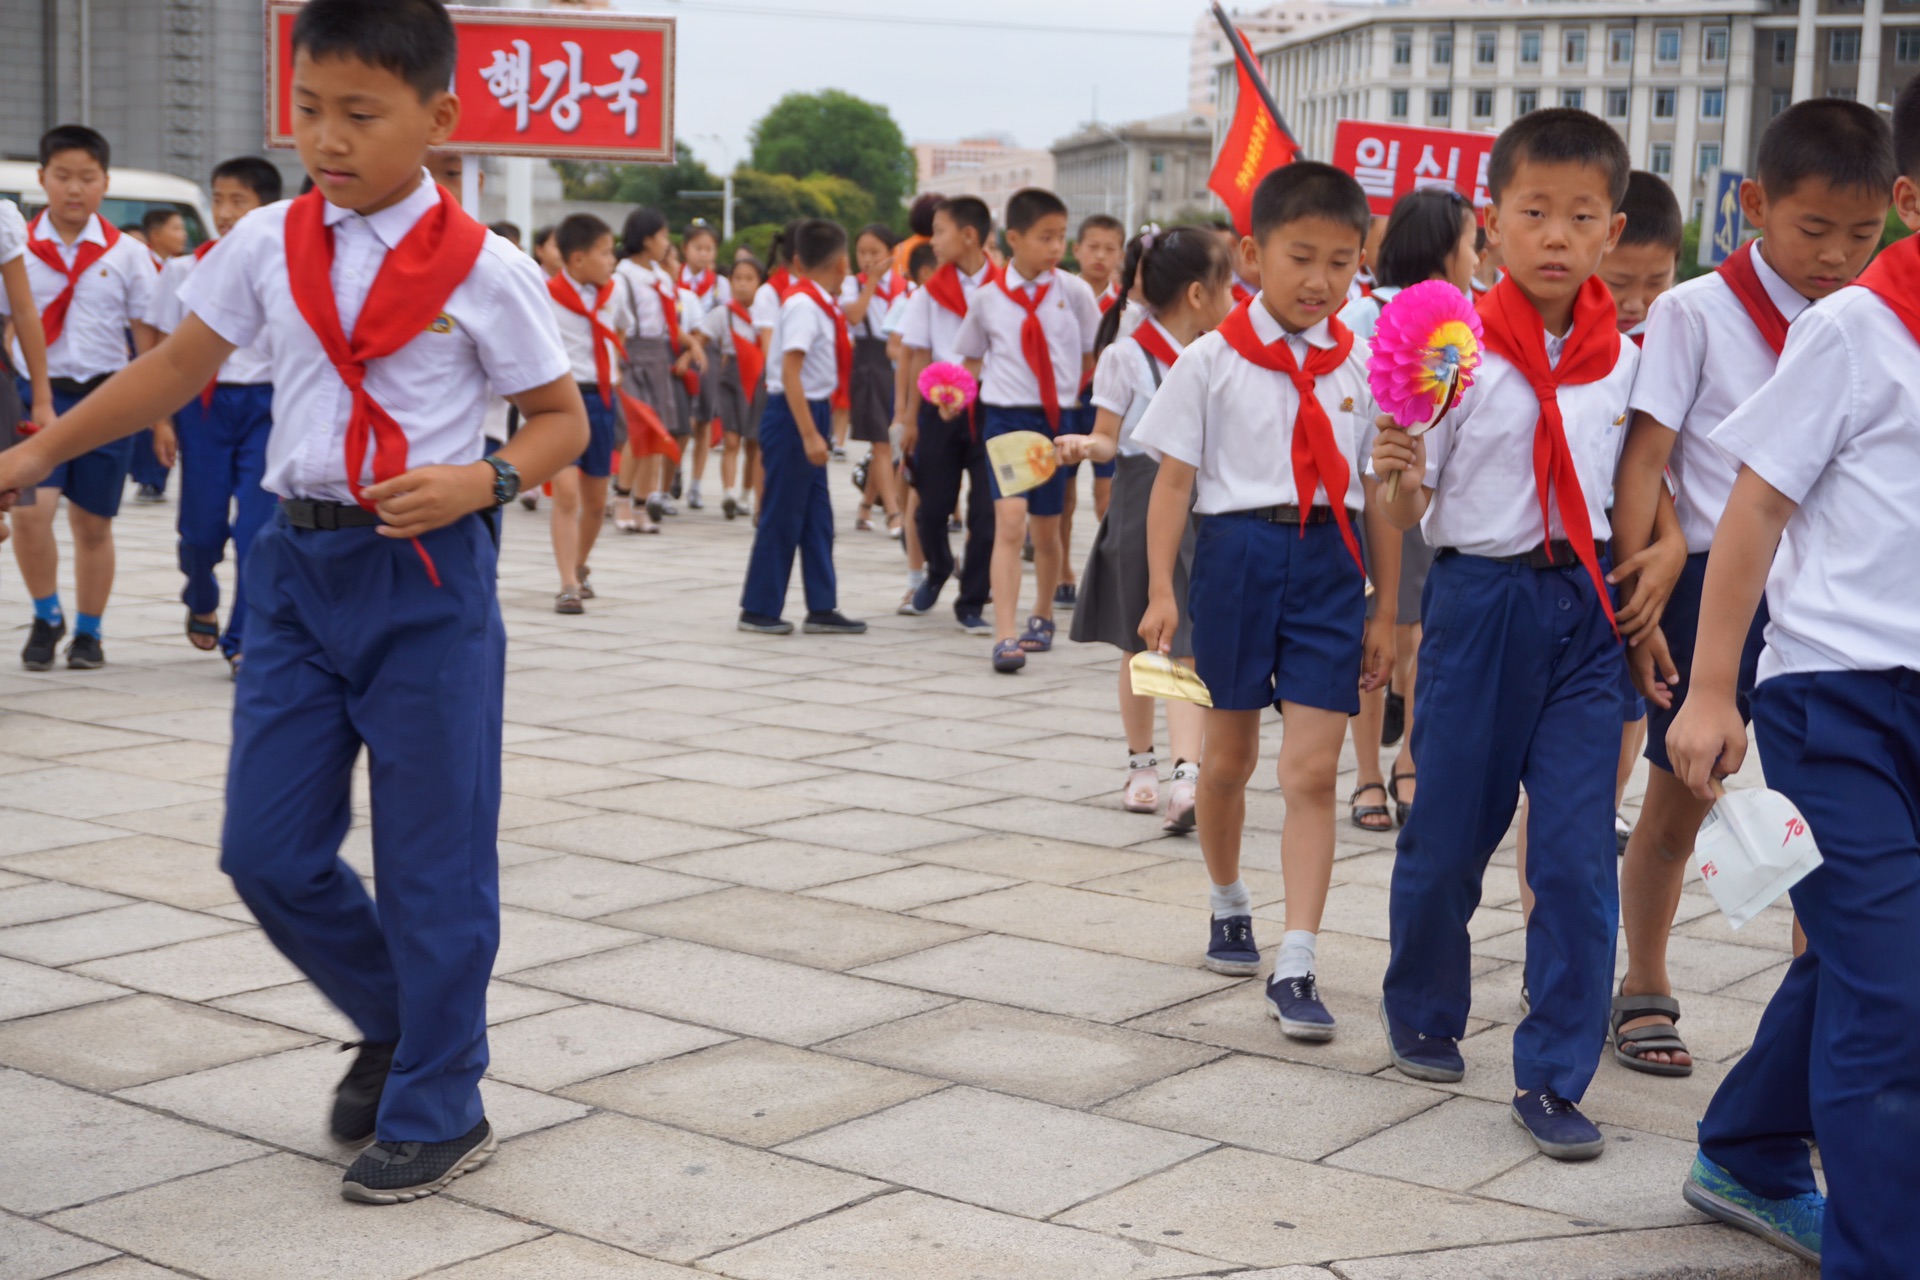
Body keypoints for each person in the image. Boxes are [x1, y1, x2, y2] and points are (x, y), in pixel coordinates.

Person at [0, 0, 584, 1202]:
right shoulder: (266, 239)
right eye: (311, 110)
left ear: (438, 119)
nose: (328, 137)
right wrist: (34, 452)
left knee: (434, 860)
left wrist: (485, 478)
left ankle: (441, 1096)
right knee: (264, 850)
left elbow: (565, 419)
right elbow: (173, 366)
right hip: (296, 571)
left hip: (424, 579)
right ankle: (396, 1017)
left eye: (360, 115)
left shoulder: (485, 265)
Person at [1662, 72, 1919, 1279]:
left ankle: (1751, 1145)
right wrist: (1715, 692)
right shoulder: (1854, 331)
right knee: (1894, 990)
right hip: (1839, 700)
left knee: (1876, 958)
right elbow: (1755, 506)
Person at [1372, 109, 1639, 1162]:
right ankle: (1423, 1003)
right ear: (1492, 222)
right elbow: (1401, 510)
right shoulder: (1455, 351)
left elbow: (1642, 491)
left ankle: (1555, 1071)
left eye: (1582, 216)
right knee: (1450, 832)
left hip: (1586, 612)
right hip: (1479, 603)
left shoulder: (1629, 358)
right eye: (1535, 213)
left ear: (1611, 232)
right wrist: (1395, 470)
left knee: (1576, 854)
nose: (1558, 236)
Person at [1611, 101, 1895, 1083]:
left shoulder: (1877, 317)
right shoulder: (1696, 310)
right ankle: (1644, 976)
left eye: (1862, 235)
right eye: (1814, 229)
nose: (1836, 254)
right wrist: (1651, 562)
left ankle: (1820, 1004)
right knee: (1680, 801)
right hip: (1706, 588)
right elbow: (1648, 453)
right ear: (1755, 204)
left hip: (1829, 602)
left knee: (1833, 832)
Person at [1134, 164, 1397, 1026]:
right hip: (1237, 557)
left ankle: (1299, 960)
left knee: (1312, 770)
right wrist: (1161, 592)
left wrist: (1386, 610)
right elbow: (1172, 486)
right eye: (1299, 257)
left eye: (1340, 261)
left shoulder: (1363, 368)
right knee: (1228, 763)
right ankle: (1226, 899)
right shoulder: (1208, 362)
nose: (1320, 280)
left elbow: (1383, 500)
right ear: (1252, 255)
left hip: (1330, 563)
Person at [1510, 171, 1691, 958]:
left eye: (1658, 282)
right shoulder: (1578, 353)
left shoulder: (1667, 339)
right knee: (1558, 796)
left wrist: (1673, 538)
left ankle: (1581, 953)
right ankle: (1538, 941)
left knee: (1604, 782)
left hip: (1640, 582)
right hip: (1577, 578)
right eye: (1624, 284)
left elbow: (1658, 466)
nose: (1639, 300)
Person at [1059, 225, 1232, 832]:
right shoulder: (1125, 354)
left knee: (1189, 646)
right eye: (1225, 282)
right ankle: (1141, 764)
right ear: (1195, 293)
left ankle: (1188, 777)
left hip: (1205, 507)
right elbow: (1109, 438)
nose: (1235, 293)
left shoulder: (1220, 351)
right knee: (1140, 645)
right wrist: (1084, 444)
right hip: (1140, 503)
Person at [1335, 187, 1479, 834]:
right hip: (1369, 494)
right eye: (1472, 242)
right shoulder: (1364, 316)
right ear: (1444, 250)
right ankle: (1368, 770)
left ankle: (1410, 762)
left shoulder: (1471, 322)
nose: (1478, 256)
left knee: (1420, 634)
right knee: (1376, 633)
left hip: (1433, 498)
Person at [7, 124, 164, 671]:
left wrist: (158, 419)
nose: (74, 189)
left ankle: (90, 633)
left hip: (108, 398)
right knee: (32, 514)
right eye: (63, 177)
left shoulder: (128, 255)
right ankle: (46, 615)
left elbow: (148, 345)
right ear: (41, 179)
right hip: (34, 399)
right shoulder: (19, 249)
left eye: (87, 178)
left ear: (106, 182)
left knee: (93, 524)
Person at [142, 154, 283, 672]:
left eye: (237, 201)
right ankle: (199, 591)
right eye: (218, 199)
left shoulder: (284, 270)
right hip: (203, 407)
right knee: (200, 529)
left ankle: (243, 637)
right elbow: (158, 348)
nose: (224, 212)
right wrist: (160, 418)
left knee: (258, 529)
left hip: (267, 407)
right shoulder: (184, 269)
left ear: (265, 208)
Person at [953, 187, 1100, 673]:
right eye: (1045, 237)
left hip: (1057, 418)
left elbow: (1090, 354)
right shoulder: (987, 298)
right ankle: (1005, 634)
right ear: (1013, 238)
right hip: (1006, 417)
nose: (1056, 247)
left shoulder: (1074, 292)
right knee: (1010, 522)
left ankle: (1042, 613)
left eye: (1061, 237)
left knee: (1048, 527)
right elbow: (971, 358)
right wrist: (955, 397)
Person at [738, 218, 865, 637]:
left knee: (816, 518)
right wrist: (811, 433)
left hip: (812, 412)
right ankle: (758, 608)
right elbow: (791, 373)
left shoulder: (817, 302)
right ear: (842, 263)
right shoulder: (804, 307)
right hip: (795, 415)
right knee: (781, 515)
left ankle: (822, 606)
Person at [895, 196, 998, 634]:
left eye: (939, 231)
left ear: (968, 235)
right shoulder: (928, 293)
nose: (932, 242)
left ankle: (972, 599)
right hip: (939, 410)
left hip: (994, 408)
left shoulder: (1005, 288)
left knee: (988, 512)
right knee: (931, 508)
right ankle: (938, 567)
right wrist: (910, 418)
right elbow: (916, 354)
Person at [545, 213, 633, 614]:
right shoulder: (545, 296)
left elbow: (621, 331)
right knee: (565, 492)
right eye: (605, 252)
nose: (612, 259)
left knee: (596, 502)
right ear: (577, 259)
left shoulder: (614, 293)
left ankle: (579, 565)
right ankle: (566, 584)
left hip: (601, 399)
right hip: (562, 402)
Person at [1056, 212, 1127, 611]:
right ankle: (1063, 571)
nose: (1100, 256)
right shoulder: (1062, 294)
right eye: (1093, 247)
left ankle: (1108, 575)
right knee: (1064, 497)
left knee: (1108, 497)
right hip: (1070, 404)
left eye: (1110, 249)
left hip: (1109, 409)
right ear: (1076, 250)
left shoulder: (1127, 305)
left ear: (1120, 255)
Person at [613, 207, 683, 533]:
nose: (667, 243)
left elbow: (671, 320)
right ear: (646, 239)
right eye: (663, 236)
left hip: (659, 355)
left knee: (657, 432)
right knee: (636, 431)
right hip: (632, 355)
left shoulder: (661, 277)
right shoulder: (622, 276)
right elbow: (615, 325)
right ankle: (622, 499)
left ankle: (643, 502)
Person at [693, 255, 768, 522]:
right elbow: (699, 338)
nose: (743, 285)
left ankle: (747, 495)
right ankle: (728, 493)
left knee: (753, 443)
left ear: (760, 283)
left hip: (759, 380)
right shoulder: (723, 312)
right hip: (730, 379)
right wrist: (692, 354)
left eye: (749, 279)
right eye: (737, 279)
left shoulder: (767, 314)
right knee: (732, 439)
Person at [841, 223, 904, 536]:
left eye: (874, 252)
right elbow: (853, 315)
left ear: (890, 254)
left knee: (888, 441)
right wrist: (872, 282)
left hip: (898, 364)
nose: (867, 258)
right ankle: (893, 513)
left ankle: (866, 507)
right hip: (868, 362)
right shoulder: (854, 284)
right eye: (861, 252)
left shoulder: (904, 287)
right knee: (880, 441)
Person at [675, 219, 727, 509]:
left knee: (705, 419)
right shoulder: (673, 280)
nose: (704, 254)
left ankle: (696, 484)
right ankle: (676, 472)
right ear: (685, 249)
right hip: (680, 353)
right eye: (698, 248)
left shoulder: (720, 284)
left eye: (709, 249)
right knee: (680, 421)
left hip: (710, 357)